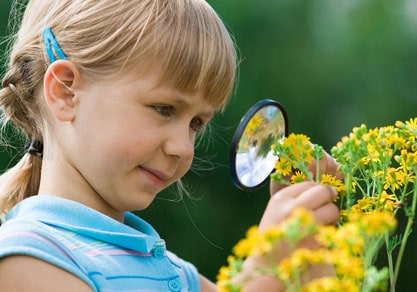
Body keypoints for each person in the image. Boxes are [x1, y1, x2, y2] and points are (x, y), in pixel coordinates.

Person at [0, 0, 340, 291]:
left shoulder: (174, 272)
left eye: (196, 124)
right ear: (65, 92)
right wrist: (266, 268)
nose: (184, 148)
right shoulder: (27, 258)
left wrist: (304, 247)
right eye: (164, 109)